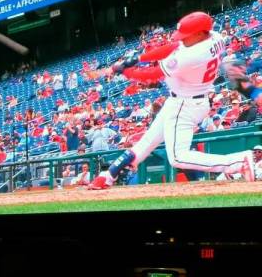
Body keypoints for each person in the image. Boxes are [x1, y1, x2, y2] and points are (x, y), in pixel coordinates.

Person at [88, 11, 256, 189]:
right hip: (187, 100)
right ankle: (109, 175)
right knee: (146, 142)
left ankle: (238, 162)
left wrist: (124, 70)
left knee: (177, 157)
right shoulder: (214, 36)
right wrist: (138, 58)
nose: (182, 39)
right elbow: (173, 46)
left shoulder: (191, 56)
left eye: (186, 36)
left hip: (185, 104)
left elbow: (151, 76)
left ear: (199, 34)